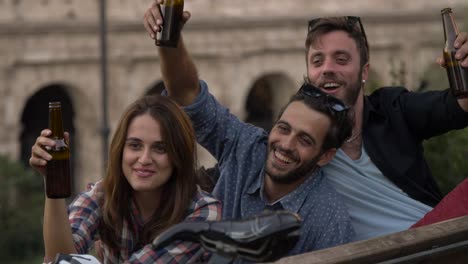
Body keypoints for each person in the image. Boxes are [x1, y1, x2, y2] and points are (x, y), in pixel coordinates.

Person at [143, 1, 355, 256]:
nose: (286, 144)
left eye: (305, 140)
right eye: (284, 128)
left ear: (325, 156)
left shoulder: (329, 220)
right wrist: (169, 37)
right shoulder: (247, 147)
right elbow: (187, 95)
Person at [304, 16, 468, 240]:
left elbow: (456, 107)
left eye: (341, 59)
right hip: (384, 254)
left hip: (438, 237)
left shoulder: (392, 108)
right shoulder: (299, 135)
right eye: (317, 61)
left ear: (364, 72)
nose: (327, 69)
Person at [29, 95, 221, 263]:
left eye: (160, 148)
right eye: (135, 146)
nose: (144, 159)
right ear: (120, 149)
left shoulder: (203, 211)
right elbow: (60, 259)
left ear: (179, 155)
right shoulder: (102, 195)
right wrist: (51, 181)